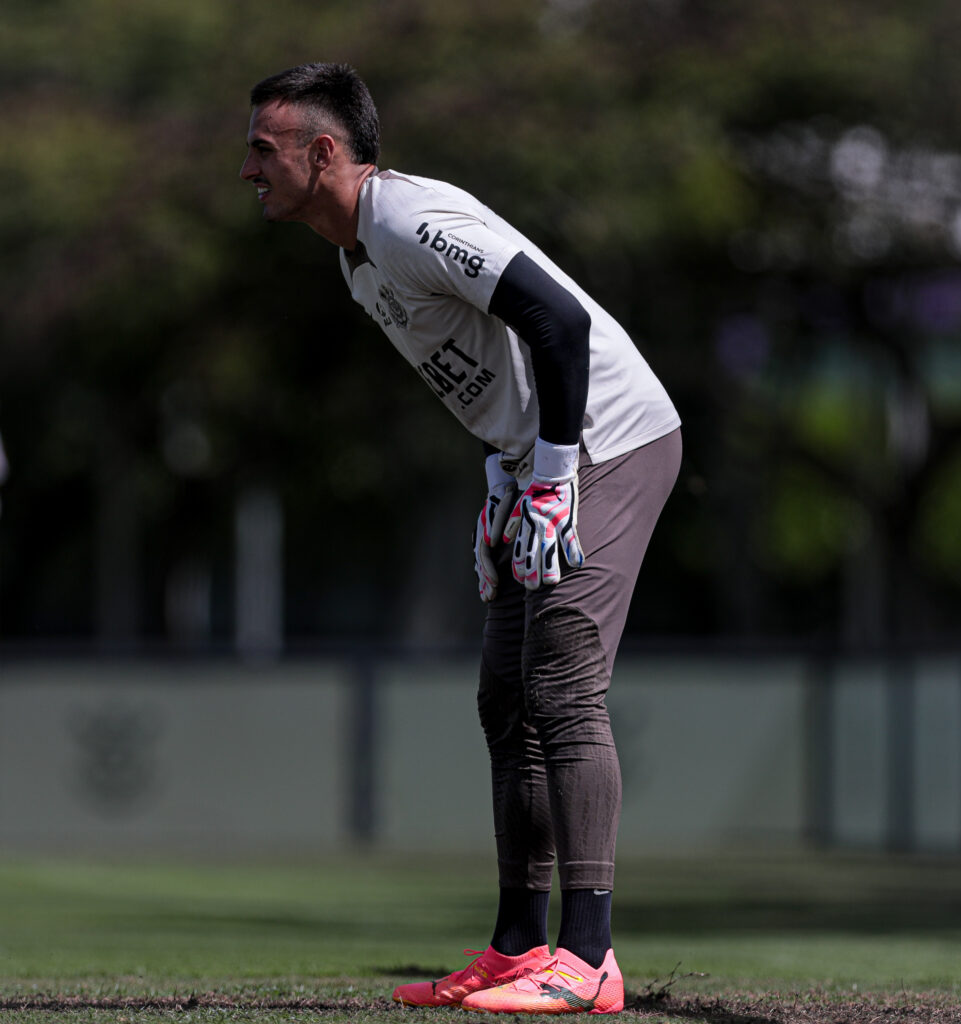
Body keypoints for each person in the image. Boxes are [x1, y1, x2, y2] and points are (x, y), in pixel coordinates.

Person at [241, 62, 681, 1015]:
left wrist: (555, 474)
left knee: (562, 683)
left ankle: (591, 957)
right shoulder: (355, 258)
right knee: (504, 698)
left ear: (324, 153)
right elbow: (490, 370)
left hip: (612, 438)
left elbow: (558, 322)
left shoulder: (403, 219)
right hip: (540, 456)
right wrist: (504, 474)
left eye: (262, 149)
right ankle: (519, 946)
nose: (249, 170)